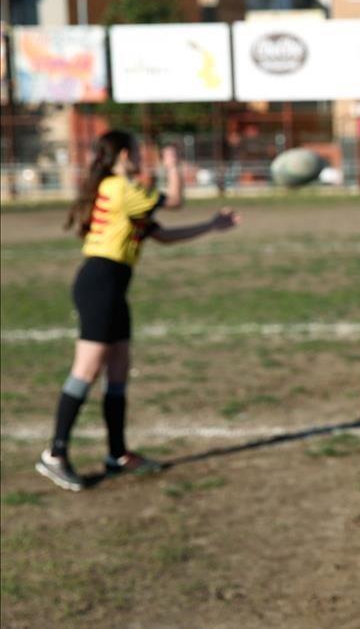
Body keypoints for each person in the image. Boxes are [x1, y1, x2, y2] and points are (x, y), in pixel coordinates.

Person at [36, 131, 239, 492]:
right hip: (99, 282)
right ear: (126, 155)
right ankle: (55, 453)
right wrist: (173, 166)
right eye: (138, 153)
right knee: (86, 370)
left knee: (118, 370)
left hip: (114, 285)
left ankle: (117, 455)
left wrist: (211, 226)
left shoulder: (125, 194)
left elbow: (162, 235)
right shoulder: (118, 187)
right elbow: (175, 201)